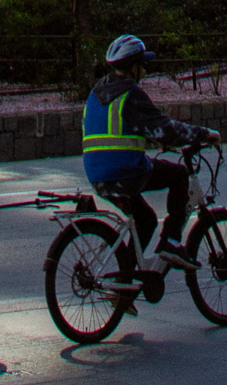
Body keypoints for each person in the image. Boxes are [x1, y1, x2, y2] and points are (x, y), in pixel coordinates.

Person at [82, 33, 197, 279]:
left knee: (145, 220)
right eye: (142, 65)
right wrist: (202, 134)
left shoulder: (96, 92)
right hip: (126, 174)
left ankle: (124, 286)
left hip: (97, 176)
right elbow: (165, 129)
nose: (145, 70)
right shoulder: (131, 94)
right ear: (133, 67)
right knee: (179, 175)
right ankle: (172, 242)